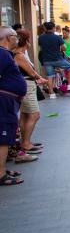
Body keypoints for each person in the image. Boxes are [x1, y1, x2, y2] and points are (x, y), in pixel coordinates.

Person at [0, 27, 29, 185]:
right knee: (3, 138)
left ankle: (2, 169)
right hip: (5, 101)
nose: (17, 39)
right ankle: (1, 174)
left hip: (9, 100)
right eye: (15, 36)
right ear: (8, 37)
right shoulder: (2, 53)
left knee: (5, 136)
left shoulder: (5, 54)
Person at [12, 29, 47, 156]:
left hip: (25, 85)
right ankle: (25, 143)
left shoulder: (19, 53)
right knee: (34, 114)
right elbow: (31, 72)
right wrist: (40, 78)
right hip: (27, 86)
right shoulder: (19, 55)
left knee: (25, 115)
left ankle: (25, 142)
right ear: (25, 41)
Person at [38, 21, 70, 99]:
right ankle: (69, 85)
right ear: (54, 28)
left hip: (46, 59)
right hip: (57, 59)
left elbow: (41, 48)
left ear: (45, 28)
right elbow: (64, 48)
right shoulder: (57, 37)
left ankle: (51, 94)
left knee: (50, 76)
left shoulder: (41, 37)